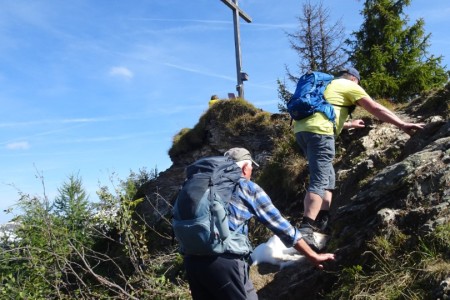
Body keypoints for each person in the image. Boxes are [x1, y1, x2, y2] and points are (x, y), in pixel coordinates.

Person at [293, 66, 425, 250]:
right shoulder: (350, 86)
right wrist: (402, 124)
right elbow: (375, 107)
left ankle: (322, 223)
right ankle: (306, 228)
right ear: (354, 79)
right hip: (320, 133)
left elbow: (325, 111)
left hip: (302, 131)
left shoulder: (328, 84)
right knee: (321, 179)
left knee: (328, 177)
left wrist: (349, 124)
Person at [183, 147, 336, 300]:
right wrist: (312, 255)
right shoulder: (245, 186)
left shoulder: (197, 185)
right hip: (225, 262)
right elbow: (281, 226)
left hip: (192, 262)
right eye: (251, 168)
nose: (251, 172)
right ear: (244, 168)